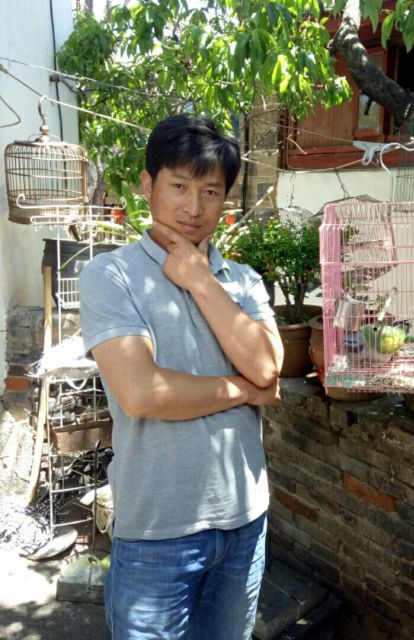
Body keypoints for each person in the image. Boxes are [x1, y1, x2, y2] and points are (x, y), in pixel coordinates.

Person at [79, 114, 284, 640]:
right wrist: (243, 390)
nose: (194, 207)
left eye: (210, 191)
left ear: (226, 199)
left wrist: (200, 280)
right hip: (157, 532)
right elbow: (143, 393)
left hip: (244, 523)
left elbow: (267, 366)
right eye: (179, 186)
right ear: (147, 184)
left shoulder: (243, 280)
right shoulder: (111, 275)